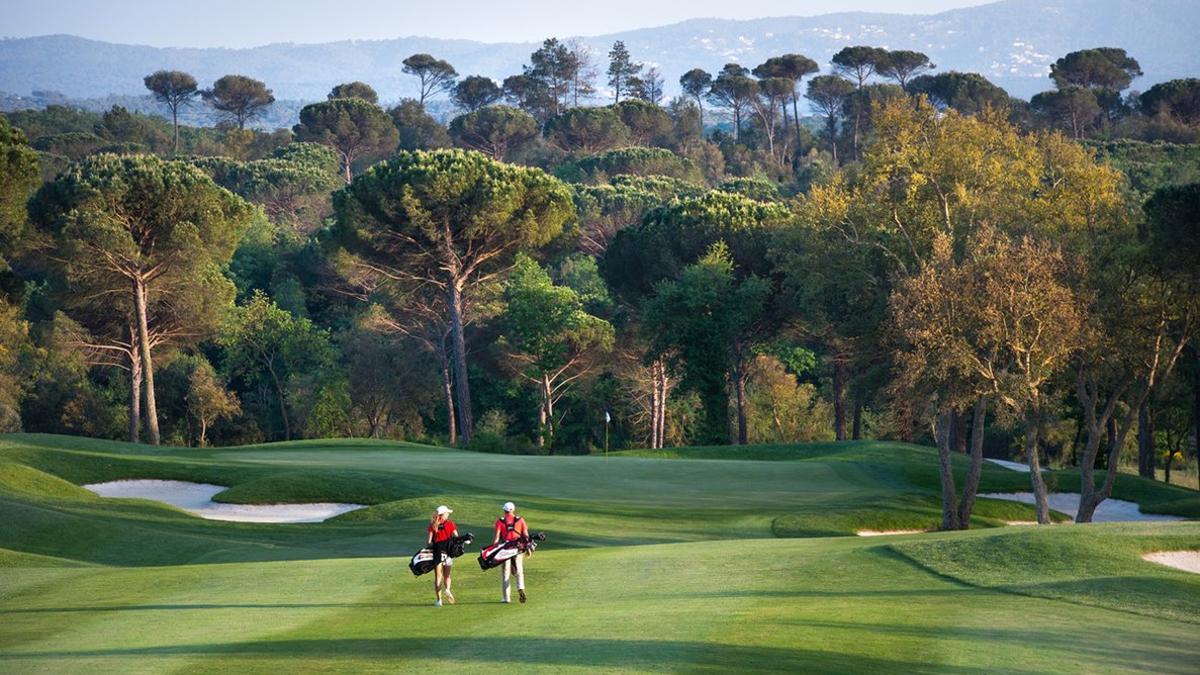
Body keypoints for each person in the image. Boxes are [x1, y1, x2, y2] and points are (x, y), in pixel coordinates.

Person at [493, 501, 530, 603]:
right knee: (519, 571)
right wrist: (528, 548)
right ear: (513, 510)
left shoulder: (500, 521)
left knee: (505, 573)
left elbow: (496, 539)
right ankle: (520, 587)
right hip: (518, 548)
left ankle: (506, 598)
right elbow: (526, 535)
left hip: (505, 549)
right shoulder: (520, 520)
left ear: (504, 511)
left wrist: (493, 551)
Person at [427, 504, 458, 607]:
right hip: (448, 551)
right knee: (447, 575)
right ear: (443, 514)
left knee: (438, 577)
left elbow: (429, 542)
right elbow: (456, 537)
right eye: (447, 513)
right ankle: (448, 590)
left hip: (437, 552)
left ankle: (439, 600)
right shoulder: (450, 524)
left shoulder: (433, 524)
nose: (448, 514)